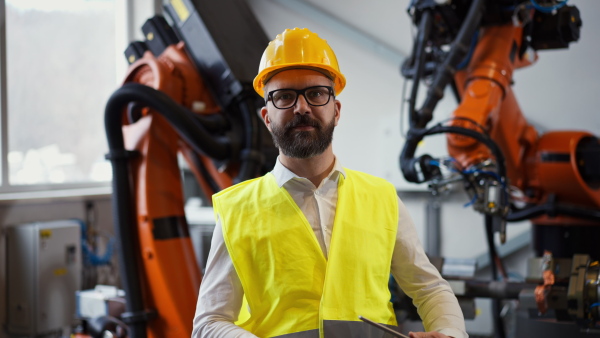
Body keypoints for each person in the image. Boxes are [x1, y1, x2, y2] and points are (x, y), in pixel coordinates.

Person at [192, 27, 467, 338]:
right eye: (284, 96)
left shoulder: (382, 198)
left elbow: (429, 288)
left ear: (335, 110)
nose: (302, 108)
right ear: (267, 117)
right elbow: (208, 324)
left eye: (316, 93)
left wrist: (449, 333)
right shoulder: (236, 211)